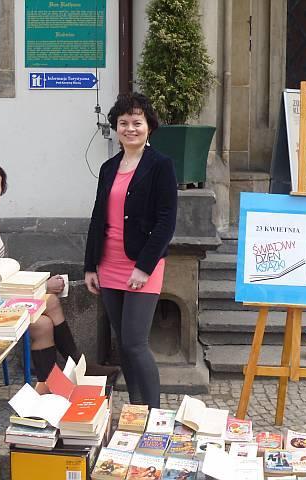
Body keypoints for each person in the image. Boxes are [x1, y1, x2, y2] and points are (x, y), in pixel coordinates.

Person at [0, 159, 118, 392]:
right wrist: (42, 286)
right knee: (41, 324)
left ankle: (77, 368)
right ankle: (54, 386)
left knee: (50, 303)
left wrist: (41, 288)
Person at [84, 92, 178, 409]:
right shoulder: (109, 167)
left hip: (142, 265)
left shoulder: (161, 165)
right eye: (123, 123)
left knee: (136, 343)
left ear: (149, 126)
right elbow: (98, 217)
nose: (130, 128)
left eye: (137, 122)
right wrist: (90, 266)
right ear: (116, 127)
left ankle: (154, 416)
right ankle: (136, 409)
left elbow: (167, 222)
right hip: (108, 263)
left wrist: (144, 266)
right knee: (122, 344)